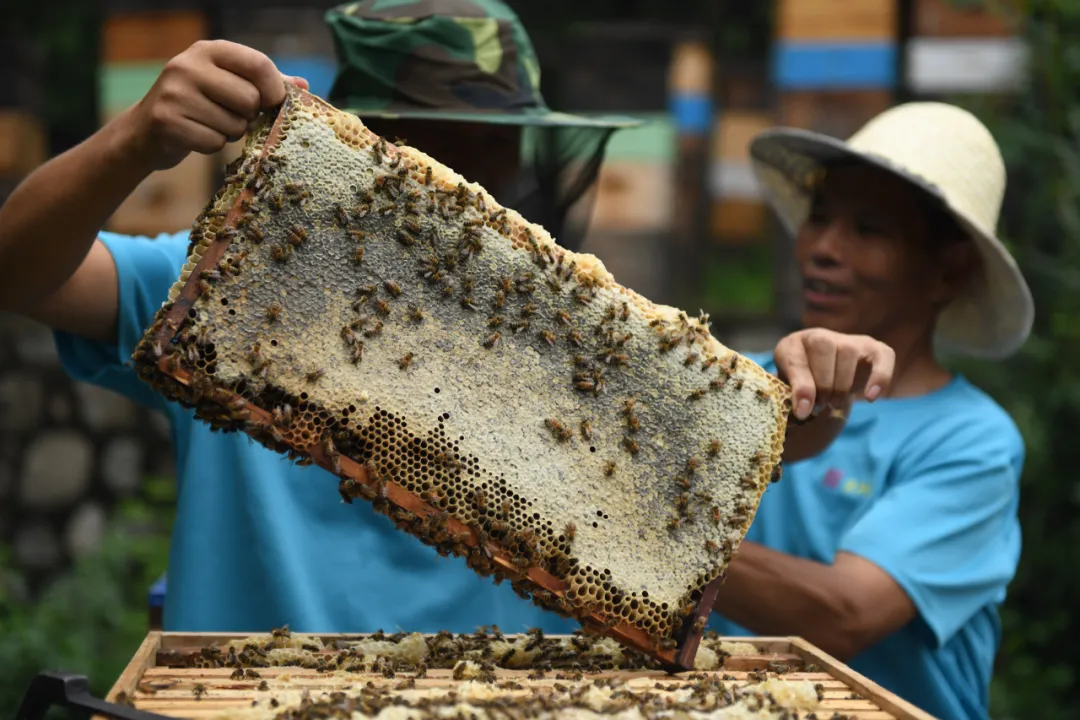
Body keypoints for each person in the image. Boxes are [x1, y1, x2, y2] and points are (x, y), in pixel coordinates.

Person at [0, 0, 892, 637]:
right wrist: (131, 143)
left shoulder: (575, 337)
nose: (469, 172)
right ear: (359, 139)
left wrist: (818, 383)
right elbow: (20, 272)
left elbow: (745, 443)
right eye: (436, 138)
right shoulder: (230, 280)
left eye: (494, 139)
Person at [706, 103, 1033, 720]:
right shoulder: (736, 385)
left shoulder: (972, 441)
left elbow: (844, 614)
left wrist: (640, 529)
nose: (824, 248)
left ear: (948, 270)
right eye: (820, 218)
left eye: (869, 230)